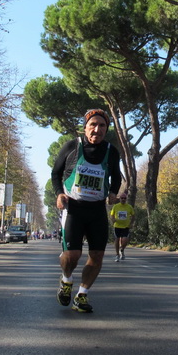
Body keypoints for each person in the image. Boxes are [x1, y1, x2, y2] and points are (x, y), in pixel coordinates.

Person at [51, 108, 122, 313]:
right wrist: (59, 194)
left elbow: (116, 176)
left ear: (106, 129)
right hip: (74, 208)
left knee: (97, 255)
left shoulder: (111, 151)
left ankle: (82, 295)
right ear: (85, 127)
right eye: (93, 125)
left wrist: (113, 193)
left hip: (97, 209)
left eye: (102, 126)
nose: (97, 130)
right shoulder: (72, 146)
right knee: (72, 255)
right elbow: (56, 173)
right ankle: (66, 279)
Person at [110, 192, 135, 262]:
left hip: (126, 226)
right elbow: (111, 215)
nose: (123, 199)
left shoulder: (129, 207)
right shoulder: (116, 206)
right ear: (120, 199)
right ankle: (117, 255)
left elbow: (133, 216)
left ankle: (122, 249)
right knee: (117, 239)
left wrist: (131, 223)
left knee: (125, 240)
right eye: (122, 198)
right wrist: (113, 219)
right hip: (117, 226)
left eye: (124, 198)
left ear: (126, 199)